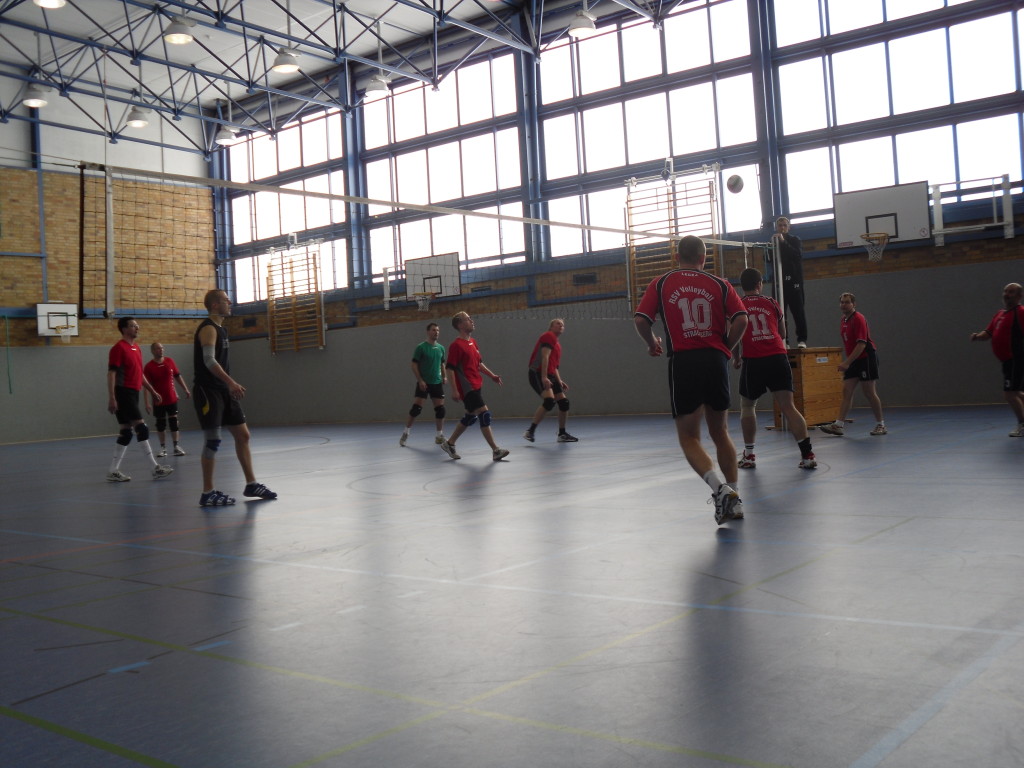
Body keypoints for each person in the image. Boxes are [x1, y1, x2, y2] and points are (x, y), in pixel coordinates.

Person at [633, 235, 749, 525]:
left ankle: (719, 490)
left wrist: (651, 343)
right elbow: (742, 319)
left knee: (688, 436)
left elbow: (641, 319)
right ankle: (734, 499)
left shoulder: (661, 283)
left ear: (676, 257)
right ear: (703, 258)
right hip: (715, 361)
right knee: (720, 431)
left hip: (684, 362)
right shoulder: (720, 284)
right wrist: (726, 349)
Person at [193, 289, 277, 506]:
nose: (230, 302)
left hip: (223, 390)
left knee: (243, 435)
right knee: (213, 440)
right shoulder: (209, 329)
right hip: (208, 391)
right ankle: (207, 492)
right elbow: (209, 361)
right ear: (214, 305)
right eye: (225, 300)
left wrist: (228, 385)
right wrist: (231, 382)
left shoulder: (222, 329)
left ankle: (251, 484)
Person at [732, 268, 817, 470]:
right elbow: (782, 333)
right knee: (788, 407)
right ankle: (807, 455)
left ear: (742, 286)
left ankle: (749, 455)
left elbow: (734, 335)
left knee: (747, 406)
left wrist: (736, 358)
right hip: (777, 357)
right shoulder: (771, 302)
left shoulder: (738, 306)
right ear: (759, 284)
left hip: (754, 360)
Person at [106, 317, 174, 482]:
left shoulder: (136, 348)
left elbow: (140, 374)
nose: (137, 328)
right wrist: (112, 397)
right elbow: (111, 373)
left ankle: (113, 471)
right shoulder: (118, 348)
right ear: (124, 329)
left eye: (137, 325)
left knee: (126, 432)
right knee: (141, 428)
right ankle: (154, 468)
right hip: (123, 392)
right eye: (133, 326)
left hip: (134, 392)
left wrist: (152, 390)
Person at [438, 311, 509, 462]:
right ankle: (496, 450)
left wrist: (492, 375)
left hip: (476, 384)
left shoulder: (473, 342)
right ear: (460, 325)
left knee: (470, 417)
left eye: (471, 318)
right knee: (484, 414)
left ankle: (449, 443)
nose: (472, 321)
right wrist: (454, 390)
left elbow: (479, 364)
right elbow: (450, 368)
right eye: (468, 319)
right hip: (467, 387)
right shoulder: (456, 345)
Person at [819, 292, 887, 436]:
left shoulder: (859, 318)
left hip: (866, 358)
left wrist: (847, 362)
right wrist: (850, 361)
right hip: (853, 360)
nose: (844, 305)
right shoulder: (843, 320)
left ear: (854, 304)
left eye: (847, 302)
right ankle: (838, 425)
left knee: (869, 392)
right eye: (842, 302)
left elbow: (861, 344)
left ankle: (881, 425)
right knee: (846, 391)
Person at [970, 282, 1024, 437]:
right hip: (1006, 361)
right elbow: (988, 333)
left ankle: (1022, 424)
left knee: (1010, 394)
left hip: (1015, 359)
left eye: (1011, 292)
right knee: (1016, 392)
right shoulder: (1000, 314)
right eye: (1005, 291)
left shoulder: (1021, 312)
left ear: (1019, 296)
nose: (1007, 294)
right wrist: (977, 336)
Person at [524, 318, 578, 444]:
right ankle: (530, 431)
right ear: (551, 327)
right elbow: (545, 357)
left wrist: (559, 381)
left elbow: (554, 367)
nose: (561, 325)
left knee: (564, 403)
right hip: (537, 373)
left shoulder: (557, 345)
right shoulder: (548, 336)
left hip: (550, 375)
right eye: (558, 323)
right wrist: (544, 377)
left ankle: (562, 434)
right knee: (549, 401)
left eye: (563, 324)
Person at [400, 322, 448, 447]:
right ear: (428, 332)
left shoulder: (441, 348)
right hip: (424, 383)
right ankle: (406, 432)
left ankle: (439, 436)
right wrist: (420, 380)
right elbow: (414, 364)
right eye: (433, 330)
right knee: (416, 409)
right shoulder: (421, 347)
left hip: (437, 383)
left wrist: (444, 376)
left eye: (438, 330)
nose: (436, 332)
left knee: (440, 410)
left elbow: (442, 364)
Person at [144, 342, 191, 457]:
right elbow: (146, 386)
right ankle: (163, 448)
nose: (161, 350)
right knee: (161, 424)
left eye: (162, 348)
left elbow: (178, 376)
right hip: (158, 400)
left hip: (171, 398)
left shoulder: (170, 361)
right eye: (158, 348)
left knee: (174, 422)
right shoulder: (149, 366)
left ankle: (176, 446)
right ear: (152, 351)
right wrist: (147, 402)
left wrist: (185, 389)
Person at [772, 216, 808, 348]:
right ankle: (784, 340)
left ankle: (802, 339)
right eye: (780, 225)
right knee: (780, 313)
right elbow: (769, 259)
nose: (782, 228)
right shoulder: (774, 241)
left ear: (788, 227)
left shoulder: (795, 240)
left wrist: (783, 242)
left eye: (784, 225)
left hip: (794, 282)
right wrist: (770, 247)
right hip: (780, 282)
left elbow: (797, 255)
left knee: (798, 312)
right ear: (776, 227)